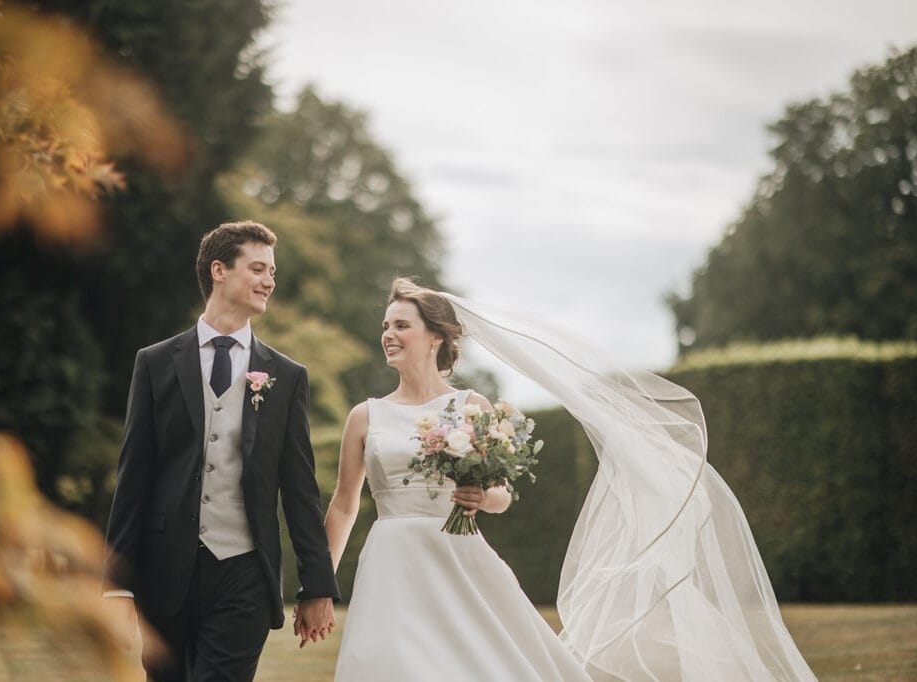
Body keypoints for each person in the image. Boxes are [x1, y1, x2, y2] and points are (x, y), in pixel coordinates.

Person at [325, 277, 816, 681]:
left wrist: (481, 497)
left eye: (401, 325)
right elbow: (345, 505)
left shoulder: (471, 408)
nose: (388, 333)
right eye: (386, 325)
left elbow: (500, 495)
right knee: (380, 663)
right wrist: (319, 584)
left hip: (459, 559)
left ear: (435, 337)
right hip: (390, 562)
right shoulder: (364, 417)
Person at [102, 221, 339, 681]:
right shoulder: (154, 363)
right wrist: (117, 586)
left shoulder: (287, 377)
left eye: (272, 271)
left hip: (245, 574)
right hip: (164, 571)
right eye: (258, 268)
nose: (270, 280)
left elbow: (300, 489)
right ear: (219, 270)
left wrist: (317, 584)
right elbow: (134, 477)